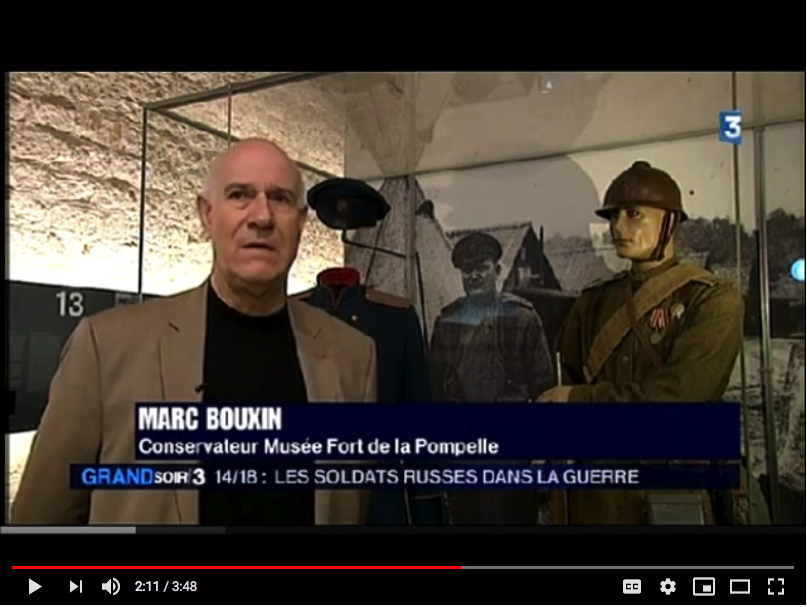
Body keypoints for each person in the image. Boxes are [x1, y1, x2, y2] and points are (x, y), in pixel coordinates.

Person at [11, 138, 378, 525]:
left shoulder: (355, 358)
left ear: (301, 221)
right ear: (207, 214)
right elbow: (40, 520)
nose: (262, 217)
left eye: (280, 198)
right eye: (239, 195)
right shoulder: (106, 348)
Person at [540, 160, 761, 524]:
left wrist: (579, 399)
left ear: (671, 221)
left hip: (672, 485)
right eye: (613, 216)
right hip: (597, 496)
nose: (617, 227)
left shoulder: (712, 299)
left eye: (633, 214)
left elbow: (678, 402)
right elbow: (565, 381)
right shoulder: (593, 301)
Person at [429, 230, 554, 524]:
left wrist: (542, 454)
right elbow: (435, 391)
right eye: (467, 270)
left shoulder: (522, 318)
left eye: (481, 268)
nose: (474, 276)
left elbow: (545, 390)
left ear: (496, 270)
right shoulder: (447, 322)